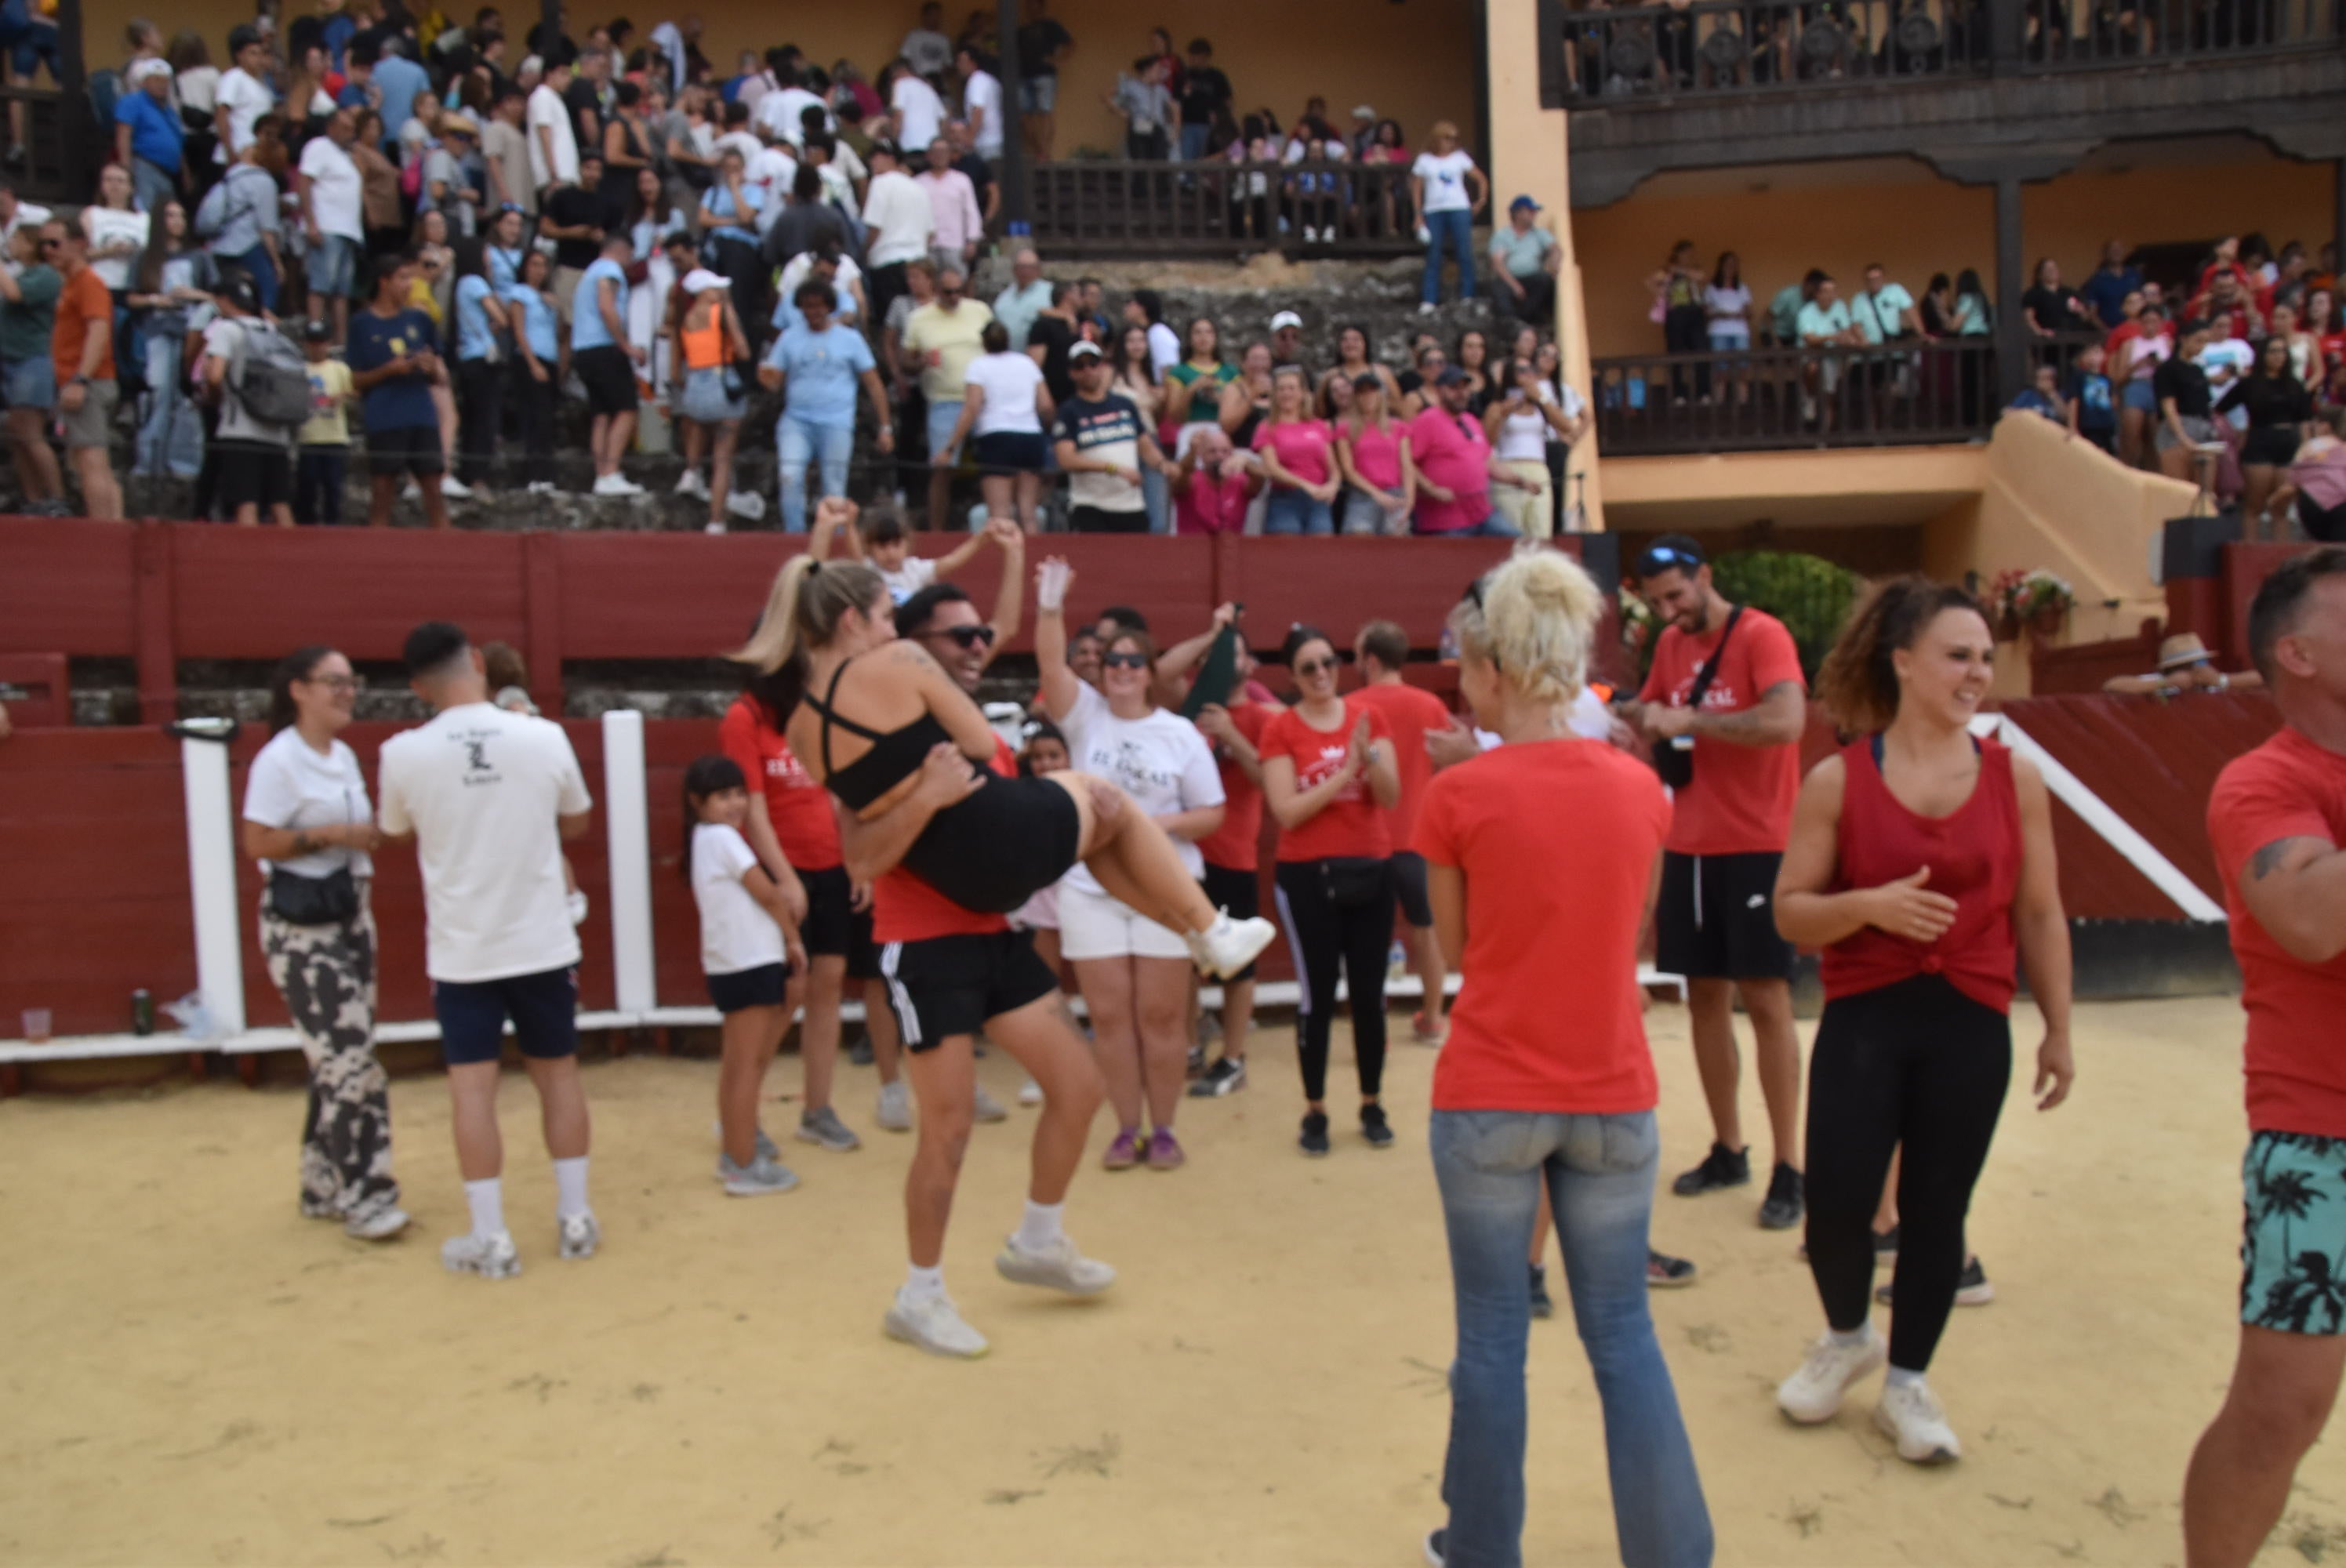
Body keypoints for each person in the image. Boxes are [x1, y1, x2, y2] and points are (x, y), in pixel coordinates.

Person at [1414, 548, 1713, 1568]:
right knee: (1624, 1337)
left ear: (1496, 666)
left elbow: (1459, 955)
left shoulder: (1456, 797)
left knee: (1492, 1342)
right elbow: (1630, 930)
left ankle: (1480, 1550)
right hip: (1611, 1087)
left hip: (1493, 1087)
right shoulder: (1642, 792)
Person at [1773, 577, 2072, 1465]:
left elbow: (2042, 912)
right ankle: (1846, 1335)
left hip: (1969, 1020)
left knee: (1940, 1210)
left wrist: (2057, 1026)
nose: (1976, 672)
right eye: (1957, 654)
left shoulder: (2015, 775)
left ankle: (1907, 1381)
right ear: (1902, 661)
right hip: (1865, 1016)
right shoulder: (1836, 778)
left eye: (1983, 656)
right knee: (1834, 1204)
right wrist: (1864, 904)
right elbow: (1790, 910)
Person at [736, 524, 1272, 981]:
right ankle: (1209, 928)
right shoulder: (899, 659)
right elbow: (975, 742)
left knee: (1099, 834)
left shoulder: (801, 729)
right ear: (851, 621)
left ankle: (1198, 934)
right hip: (994, 827)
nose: (891, 628)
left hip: (953, 875)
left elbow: (858, 828)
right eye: (883, 616)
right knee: (1105, 796)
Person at [2184, 547, 2346, 1565]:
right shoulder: (2263, 781)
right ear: (2297, 652)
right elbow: (2310, 919)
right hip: (2320, 1132)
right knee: (2280, 1409)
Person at [376, 621, 599, 1279]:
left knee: (472, 1090)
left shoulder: (402, 753)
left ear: (418, 688)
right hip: (541, 940)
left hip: (464, 948)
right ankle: (576, 1219)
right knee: (557, 1074)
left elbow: (394, 831)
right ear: (476, 661)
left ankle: (493, 1237)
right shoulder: (543, 735)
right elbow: (578, 820)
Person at [1629, 534, 1809, 1231]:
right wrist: (1633, 722)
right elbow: (1651, 711)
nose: (1670, 611)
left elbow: (1789, 720)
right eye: (1656, 602)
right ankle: (1729, 1147)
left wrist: (1692, 719)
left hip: (1760, 843)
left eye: (1676, 595)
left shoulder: (1762, 633)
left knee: (1766, 999)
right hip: (1690, 842)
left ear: (1705, 577)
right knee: (1704, 996)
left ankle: (1789, 1164)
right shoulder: (1671, 646)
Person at [1036, 575, 1224, 1171]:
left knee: (1163, 1018)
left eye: (1132, 661)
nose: (1120, 668)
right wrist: (1049, 607)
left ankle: (1163, 1128)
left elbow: (1212, 813)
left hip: (1162, 889)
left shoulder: (1179, 734)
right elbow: (1048, 662)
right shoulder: (1085, 718)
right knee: (1112, 1020)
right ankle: (1126, 1129)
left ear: (1149, 672)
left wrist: (1147, 828)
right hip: (1090, 891)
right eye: (1112, 659)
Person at [242, 644, 405, 1241]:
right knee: (348, 1058)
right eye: (332, 682)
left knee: (337, 1057)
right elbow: (258, 843)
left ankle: (321, 1184)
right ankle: (367, 1194)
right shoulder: (278, 760)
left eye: (350, 681)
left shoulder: (339, 756)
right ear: (298, 690)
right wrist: (335, 834)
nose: (346, 691)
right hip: (302, 927)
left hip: (349, 914)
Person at [1260, 624, 1402, 1156]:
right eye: (1308, 668)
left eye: (1328, 662)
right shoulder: (1282, 730)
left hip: (1370, 864)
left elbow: (1389, 797)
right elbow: (1286, 812)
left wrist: (1370, 761)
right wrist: (1344, 773)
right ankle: (1315, 1108)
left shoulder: (1371, 718)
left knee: (1369, 995)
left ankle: (1372, 1100)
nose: (1322, 674)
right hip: (1308, 876)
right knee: (1317, 996)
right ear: (1294, 677)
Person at [683, 753, 814, 1194]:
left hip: (734, 959)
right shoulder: (724, 839)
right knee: (746, 1066)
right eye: (724, 796)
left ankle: (738, 1148)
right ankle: (740, 1162)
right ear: (697, 802)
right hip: (748, 959)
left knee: (739, 1064)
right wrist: (793, 938)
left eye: (739, 793)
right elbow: (768, 895)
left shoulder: (706, 837)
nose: (736, 803)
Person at [1349, 619, 1455, 1046]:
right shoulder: (1430, 706)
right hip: (1417, 836)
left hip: (1367, 838)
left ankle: (1369, 1020)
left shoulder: (1353, 705)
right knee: (1426, 932)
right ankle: (1432, 1017)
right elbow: (1448, 763)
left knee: (1365, 938)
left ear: (1371, 660)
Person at [763, 278, 889, 533]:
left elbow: (874, 383)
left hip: (837, 421)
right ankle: (794, 534)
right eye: (808, 307)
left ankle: (837, 538)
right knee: (789, 475)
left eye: (819, 306)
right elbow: (774, 379)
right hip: (797, 420)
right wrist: (764, 376)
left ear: (829, 307)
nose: (814, 312)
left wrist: (885, 426)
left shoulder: (850, 339)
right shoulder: (789, 338)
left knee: (834, 484)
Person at [346, 250, 452, 528]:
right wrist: (389, 370)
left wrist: (432, 368)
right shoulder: (362, 323)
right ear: (384, 281)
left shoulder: (420, 320)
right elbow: (355, 381)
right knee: (382, 488)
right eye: (403, 278)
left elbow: (441, 373)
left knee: (433, 486)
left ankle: (447, 552)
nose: (409, 285)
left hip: (421, 413)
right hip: (385, 416)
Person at [200, 269, 302, 528]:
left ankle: (250, 562)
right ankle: (292, 558)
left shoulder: (226, 329)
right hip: (275, 428)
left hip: (239, 429)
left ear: (225, 300)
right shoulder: (270, 329)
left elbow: (215, 376)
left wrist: (214, 397)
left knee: (246, 501)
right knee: (280, 503)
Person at [901, 263, 991, 528]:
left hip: (984, 399)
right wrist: (921, 363)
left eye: (958, 292)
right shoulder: (919, 318)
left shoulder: (980, 311)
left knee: (995, 465)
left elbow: (996, 344)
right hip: (943, 400)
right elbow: (905, 360)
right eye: (948, 292)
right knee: (941, 467)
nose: (954, 297)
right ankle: (936, 532)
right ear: (936, 290)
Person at [666, 267, 752, 532]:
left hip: (695, 385)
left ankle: (691, 472)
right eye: (715, 288)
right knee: (722, 458)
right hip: (721, 383)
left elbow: (675, 369)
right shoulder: (722, 312)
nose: (720, 292)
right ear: (703, 292)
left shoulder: (684, 319)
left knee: (698, 430)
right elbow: (743, 351)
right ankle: (716, 520)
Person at [1051, 339, 1169, 535]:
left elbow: (1145, 446)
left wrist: (1163, 465)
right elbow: (1066, 458)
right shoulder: (1068, 411)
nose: (1088, 370)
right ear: (1072, 373)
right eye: (1080, 366)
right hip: (1090, 504)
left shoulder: (1125, 405)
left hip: (1131, 504)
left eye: (1093, 364)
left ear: (1103, 367)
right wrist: (1113, 468)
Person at [50, 225, 122, 521]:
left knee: (90, 459)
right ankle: (115, 530)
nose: (48, 250)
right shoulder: (72, 282)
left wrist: (81, 378)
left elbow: (99, 330)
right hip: (82, 379)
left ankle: (104, 534)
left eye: (55, 243)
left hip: (86, 380)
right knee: (92, 461)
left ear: (78, 244)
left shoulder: (88, 282)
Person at [570, 229, 645, 496]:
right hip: (604, 348)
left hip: (583, 349)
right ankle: (611, 472)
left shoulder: (588, 273)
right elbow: (606, 306)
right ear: (622, 250)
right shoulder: (609, 271)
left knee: (601, 414)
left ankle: (601, 474)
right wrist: (625, 345)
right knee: (626, 409)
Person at [2220, 335, 2315, 540]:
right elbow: (2219, 410)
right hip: (2260, 441)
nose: (2278, 356)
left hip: (2289, 442)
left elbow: (2305, 421)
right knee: (2254, 505)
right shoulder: (2249, 384)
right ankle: (2249, 556)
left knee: (2280, 507)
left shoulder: (2295, 384)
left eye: (2282, 351)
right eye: (2273, 351)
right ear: (2263, 355)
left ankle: (2282, 561)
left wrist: (2306, 452)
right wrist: (2236, 434)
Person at [1409, 367, 1521, 539]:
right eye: (1454, 388)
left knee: (1517, 543)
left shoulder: (1471, 421)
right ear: (1440, 391)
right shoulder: (1427, 421)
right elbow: (1406, 462)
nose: (1461, 393)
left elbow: (1488, 462)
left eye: (1465, 388)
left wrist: (1518, 480)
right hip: (1445, 521)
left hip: (1482, 514)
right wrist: (1431, 489)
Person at [0, 222, 62, 514]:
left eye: (15, 239)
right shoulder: (24, 274)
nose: (10, 244)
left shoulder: (46, 276)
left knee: (30, 430)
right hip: (12, 360)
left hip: (32, 360)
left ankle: (56, 496)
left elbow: (14, 295)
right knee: (16, 431)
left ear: (30, 244)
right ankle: (33, 497)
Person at [1484, 357, 1578, 539]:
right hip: (1509, 468)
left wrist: (1541, 398)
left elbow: (1566, 426)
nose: (1527, 374)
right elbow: (1487, 441)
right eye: (1521, 370)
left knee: (1540, 530)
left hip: (1538, 468)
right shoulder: (1498, 406)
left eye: (1530, 370)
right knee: (1512, 532)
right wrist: (1503, 415)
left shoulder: (1540, 405)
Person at [500, 245, 559, 493]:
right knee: (535, 417)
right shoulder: (519, 293)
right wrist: (533, 363)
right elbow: (519, 330)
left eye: (542, 266)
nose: (538, 271)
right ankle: (533, 475)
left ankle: (546, 474)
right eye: (533, 265)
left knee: (547, 419)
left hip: (549, 358)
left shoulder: (548, 298)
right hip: (529, 358)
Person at [1411, 121, 1485, 313]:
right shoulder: (1424, 160)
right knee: (1433, 254)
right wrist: (1418, 215)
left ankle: (1467, 294)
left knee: (1464, 252)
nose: (1450, 142)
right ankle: (1429, 298)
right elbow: (1417, 188)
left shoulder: (1460, 158)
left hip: (1459, 208)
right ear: (1437, 139)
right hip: (1433, 210)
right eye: (1447, 138)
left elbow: (1480, 178)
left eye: (1453, 139)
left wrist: (1481, 201)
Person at [1336, 372, 1411, 536]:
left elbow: (1406, 466)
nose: (1367, 396)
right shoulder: (1345, 428)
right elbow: (1348, 470)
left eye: (1372, 391)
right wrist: (1377, 494)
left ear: (1380, 394)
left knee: (1397, 543)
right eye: (1362, 392)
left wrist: (1409, 503)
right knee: (1360, 541)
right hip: (1362, 495)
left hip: (1395, 493)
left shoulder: (1398, 427)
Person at [117, 56, 187, 217]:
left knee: (165, 217)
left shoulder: (169, 111)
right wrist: (126, 170)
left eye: (165, 81)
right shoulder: (133, 102)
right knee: (146, 213)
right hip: (144, 166)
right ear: (144, 82)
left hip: (168, 173)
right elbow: (124, 134)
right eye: (156, 80)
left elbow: (178, 142)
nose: (161, 85)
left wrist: (185, 173)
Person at [2101, 631, 2266, 698]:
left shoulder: (2209, 685)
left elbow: (2263, 678)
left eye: (2200, 663)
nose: (2197, 669)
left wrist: (2221, 680)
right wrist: (2166, 683)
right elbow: (2112, 685)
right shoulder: (2162, 683)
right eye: (2189, 665)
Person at [1487, 195, 1558, 326]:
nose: (1534, 214)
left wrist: (1554, 265)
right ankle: (1511, 325)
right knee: (1499, 292)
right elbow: (1498, 262)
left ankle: (1524, 321)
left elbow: (1555, 249)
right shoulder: (1503, 235)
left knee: (1544, 281)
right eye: (1530, 211)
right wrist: (1515, 285)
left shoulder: (1539, 234)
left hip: (1532, 277)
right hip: (1508, 278)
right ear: (1517, 213)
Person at [1015, 0, 1071, 159]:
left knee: (1045, 112)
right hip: (1023, 76)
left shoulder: (1051, 26)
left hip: (1045, 75)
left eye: (1034, 5)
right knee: (1026, 116)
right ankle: (1039, 151)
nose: (1030, 9)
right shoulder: (1021, 30)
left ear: (1041, 7)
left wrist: (1058, 60)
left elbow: (1071, 44)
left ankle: (1045, 152)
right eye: (1028, 6)